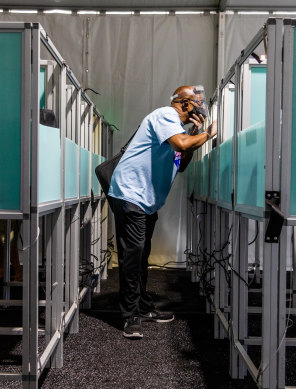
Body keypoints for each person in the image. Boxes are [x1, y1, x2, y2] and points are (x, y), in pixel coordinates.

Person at [108, 85, 217, 339]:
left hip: (145, 199)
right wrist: (209, 134)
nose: (200, 108)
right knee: (132, 255)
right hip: (130, 194)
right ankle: (130, 314)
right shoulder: (165, 116)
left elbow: (181, 159)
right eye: (197, 104)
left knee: (141, 252)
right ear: (185, 104)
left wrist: (196, 134)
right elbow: (181, 143)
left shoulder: (177, 129)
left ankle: (143, 306)